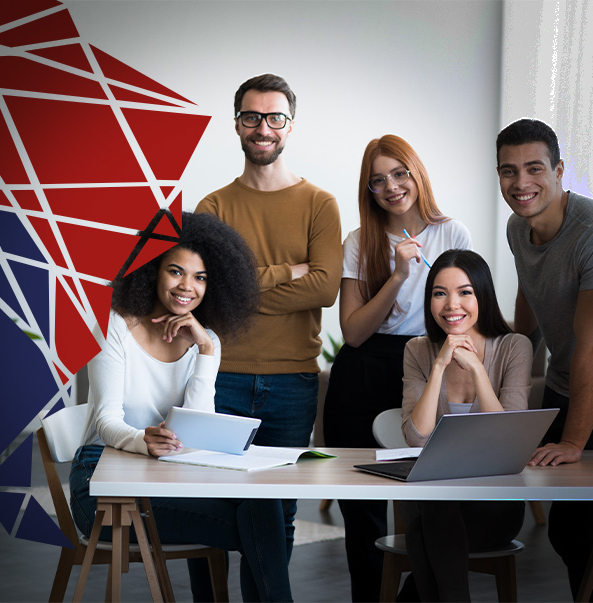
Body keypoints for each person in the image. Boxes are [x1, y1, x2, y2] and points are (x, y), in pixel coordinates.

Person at [69, 211, 293, 603]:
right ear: (152, 271)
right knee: (259, 522)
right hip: (102, 488)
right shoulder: (115, 325)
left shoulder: (205, 340)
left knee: (262, 506)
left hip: (163, 478)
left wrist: (204, 349)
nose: (187, 286)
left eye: (201, 277)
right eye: (176, 272)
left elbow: (195, 430)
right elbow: (105, 420)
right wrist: (144, 441)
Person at [195, 73, 342, 563]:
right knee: (216, 510)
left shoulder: (320, 204)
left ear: (290, 125)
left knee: (278, 511)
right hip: (223, 377)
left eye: (274, 117)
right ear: (236, 124)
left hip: (292, 383)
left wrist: (244, 286)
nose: (263, 127)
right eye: (252, 117)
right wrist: (288, 272)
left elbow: (323, 288)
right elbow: (211, 294)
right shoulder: (213, 206)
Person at [322, 134, 472, 601]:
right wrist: (399, 276)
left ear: (416, 172)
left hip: (428, 364)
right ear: (368, 191)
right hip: (363, 369)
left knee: (428, 499)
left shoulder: (452, 233)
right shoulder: (358, 240)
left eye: (399, 173)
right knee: (360, 505)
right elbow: (354, 332)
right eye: (377, 181)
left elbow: (465, 311)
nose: (391, 186)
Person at [496, 117, 593, 600]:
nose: (521, 183)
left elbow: (590, 346)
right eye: (508, 171)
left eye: (534, 168)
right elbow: (527, 303)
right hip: (562, 382)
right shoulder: (519, 227)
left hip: (590, 382)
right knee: (567, 531)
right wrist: (505, 372)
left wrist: (575, 440)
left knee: (576, 528)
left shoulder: (589, 233)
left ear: (558, 170)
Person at [399, 249, 531, 602]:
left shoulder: (514, 346)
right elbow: (415, 438)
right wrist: (440, 367)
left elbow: (507, 441)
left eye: (465, 292)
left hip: (494, 504)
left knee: (420, 533)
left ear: (482, 296)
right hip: (434, 502)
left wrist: (475, 368)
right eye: (439, 293)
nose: (451, 304)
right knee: (436, 505)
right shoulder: (418, 350)